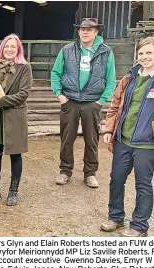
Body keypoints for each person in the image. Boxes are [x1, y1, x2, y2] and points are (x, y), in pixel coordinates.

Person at [100, 37, 154, 237]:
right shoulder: (129, 78)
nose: (144, 57)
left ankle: (139, 225)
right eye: (141, 53)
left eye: (149, 53)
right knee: (116, 179)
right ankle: (115, 217)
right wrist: (109, 129)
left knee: (143, 183)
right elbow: (115, 106)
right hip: (123, 140)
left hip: (147, 144)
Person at [51, 18, 117, 188]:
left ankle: (90, 173)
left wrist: (101, 101)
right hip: (70, 100)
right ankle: (65, 171)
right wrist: (60, 95)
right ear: (78, 32)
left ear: (96, 32)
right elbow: (55, 73)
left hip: (92, 102)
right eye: (82, 29)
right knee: (67, 138)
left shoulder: (106, 52)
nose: (85, 32)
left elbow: (111, 79)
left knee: (91, 139)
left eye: (89, 29)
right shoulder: (67, 50)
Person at [0, 34, 32, 206]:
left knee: (15, 154)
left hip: (14, 117)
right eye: (6, 46)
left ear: (18, 49)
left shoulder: (25, 68)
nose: (9, 49)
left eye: (13, 46)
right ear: (2, 48)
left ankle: (13, 192)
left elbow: (23, 94)